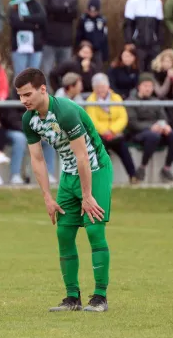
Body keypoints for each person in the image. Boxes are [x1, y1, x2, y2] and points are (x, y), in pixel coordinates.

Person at [15, 68, 112, 313]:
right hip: (69, 175)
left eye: (27, 94)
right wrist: (47, 196)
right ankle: (72, 298)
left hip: (95, 169)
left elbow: (82, 157)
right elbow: (37, 159)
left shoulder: (65, 112)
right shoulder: (29, 119)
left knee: (94, 231)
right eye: (20, 96)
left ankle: (100, 297)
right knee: (64, 235)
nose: (23, 100)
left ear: (43, 89)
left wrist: (87, 195)